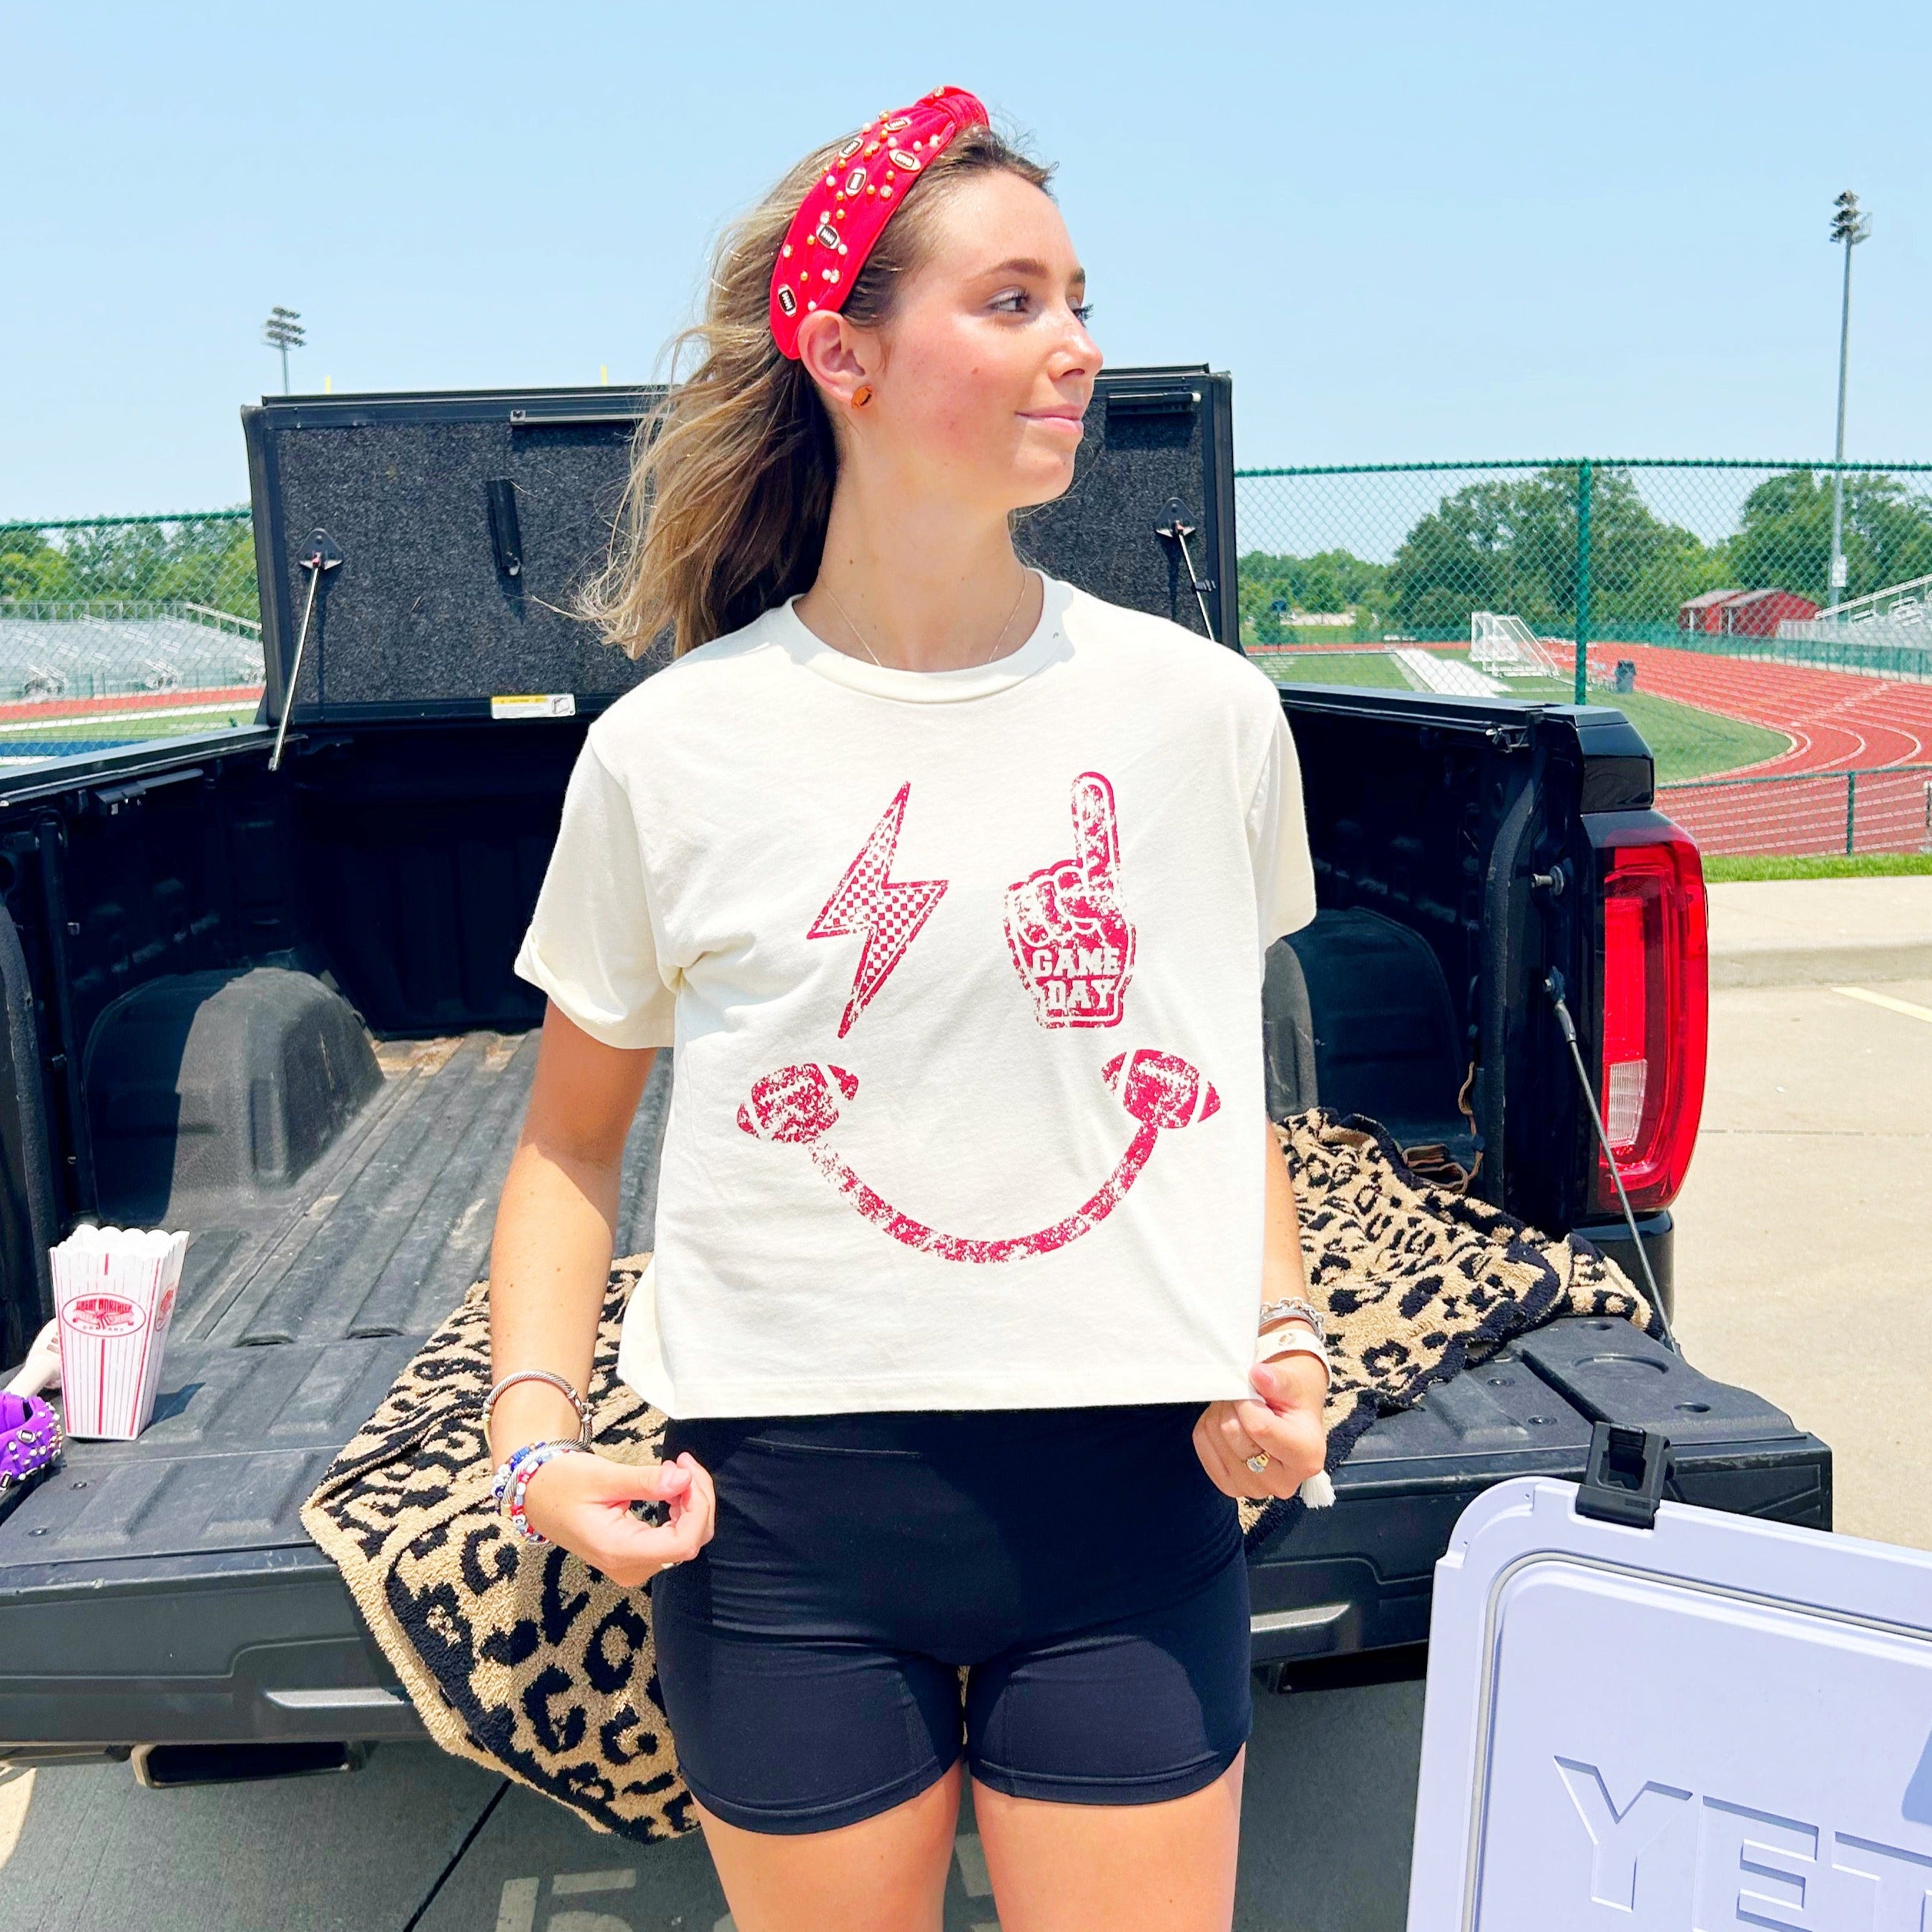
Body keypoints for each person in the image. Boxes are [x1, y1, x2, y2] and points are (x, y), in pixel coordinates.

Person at [485, 85, 1329, 1932]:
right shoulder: (673, 751)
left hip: (1134, 1498)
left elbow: (1208, 1086)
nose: (1080, 346)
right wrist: (532, 1442)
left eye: (1081, 296)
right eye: (1013, 300)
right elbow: (566, 1141)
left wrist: (1286, 1332)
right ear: (842, 350)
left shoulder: (1201, 716)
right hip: (783, 1532)